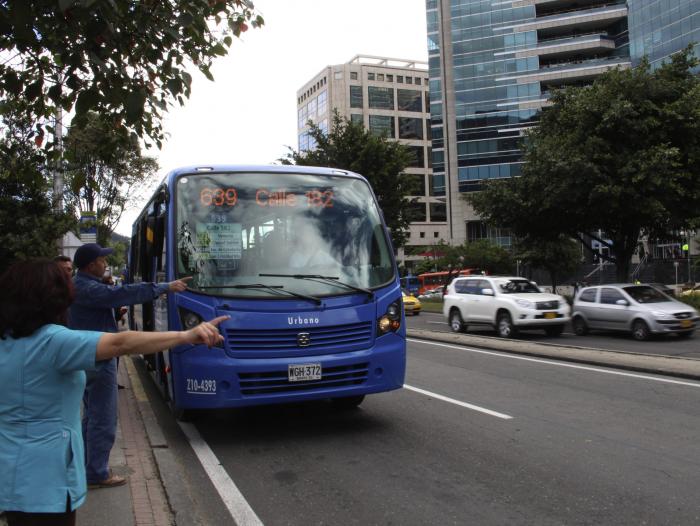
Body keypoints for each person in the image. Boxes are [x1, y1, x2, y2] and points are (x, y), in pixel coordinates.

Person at [0, 259, 226, 526]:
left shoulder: (7, 340)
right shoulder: (52, 341)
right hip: (47, 481)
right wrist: (186, 336)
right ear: (53, 298)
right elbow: (122, 342)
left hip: (9, 474)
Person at [69, 243, 191, 489]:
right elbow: (124, 293)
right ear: (91, 265)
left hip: (83, 357)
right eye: (102, 260)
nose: (105, 264)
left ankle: (84, 465)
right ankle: (97, 474)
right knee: (103, 418)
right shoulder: (89, 288)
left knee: (91, 416)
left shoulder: (78, 285)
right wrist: (165, 287)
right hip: (98, 358)